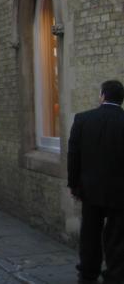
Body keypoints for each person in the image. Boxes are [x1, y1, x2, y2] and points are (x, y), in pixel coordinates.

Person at [68, 79, 124, 283]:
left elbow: (73, 155)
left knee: (90, 234)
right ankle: (115, 276)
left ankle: (88, 274)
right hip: (120, 191)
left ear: (102, 96)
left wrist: (74, 185)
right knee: (117, 236)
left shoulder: (83, 119)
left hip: (90, 189)